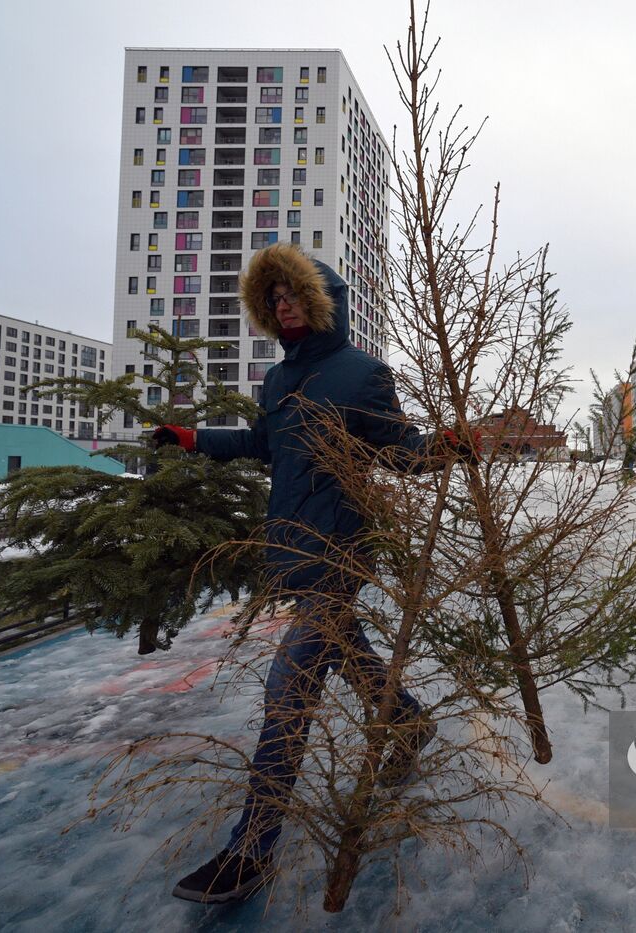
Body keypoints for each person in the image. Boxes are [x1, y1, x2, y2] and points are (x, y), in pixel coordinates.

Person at [155, 243, 464, 904]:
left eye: (292, 294)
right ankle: (406, 720)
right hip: (292, 548)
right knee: (349, 652)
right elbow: (263, 445)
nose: (282, 305)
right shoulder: (277, 381)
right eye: (273, 298)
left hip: (341, 552)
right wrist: (193, 439)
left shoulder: (363, 374)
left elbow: (401, 452)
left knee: (289, 688)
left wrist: (444, 448)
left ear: (321, 301)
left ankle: (251, 847)